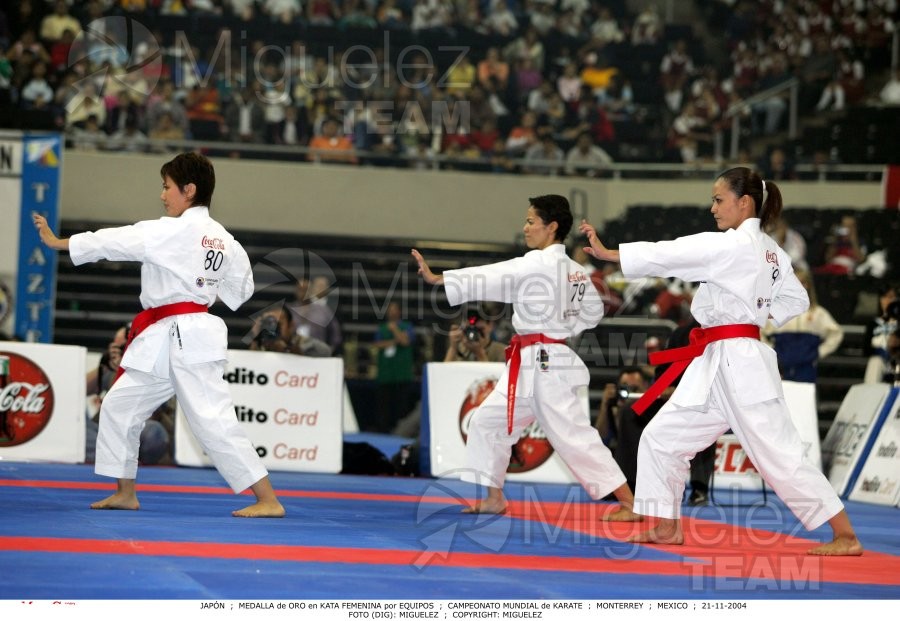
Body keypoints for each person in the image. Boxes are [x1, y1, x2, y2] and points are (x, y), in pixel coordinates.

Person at [579, 167, 862, 555]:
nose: (712, 207)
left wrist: (614, 254)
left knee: (779, 455)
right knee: (662, 439)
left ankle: (845, 535)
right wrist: (759, 312)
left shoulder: (732, 246)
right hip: (719, 358)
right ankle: (665, 526)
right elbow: (796, 299)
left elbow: (673, 252)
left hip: (740, 361)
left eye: (718, 199)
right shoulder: (770, 250)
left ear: (743, 202)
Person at [32, 152, 285, 518]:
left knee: (210, 417)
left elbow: (117, 241)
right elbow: (241, 291)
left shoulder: (171, 230)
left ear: (189, 190)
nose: (162, 195)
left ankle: (268, 498)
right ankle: (125, 492)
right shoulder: (223, 239)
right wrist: (202, 288)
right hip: (172, 333)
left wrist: (61, 243)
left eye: (167, 187)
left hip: (186, 333)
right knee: (120, 405)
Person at [411, 195, 640, 521]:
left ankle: (629, 502)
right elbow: (592, 313)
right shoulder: (576, 272)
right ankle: (493, 498)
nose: (525, 228)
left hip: (545, 364)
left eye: (531, 221)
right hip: (536, 360)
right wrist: (563, 327)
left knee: (573, 436)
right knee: (486, 421)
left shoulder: (535, 264)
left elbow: (490, 276)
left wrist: (439, 278)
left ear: (552, 227)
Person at [85, 324, 175, 466]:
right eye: (118, 347)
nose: (123, 352)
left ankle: (111, 455)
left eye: (125, 347)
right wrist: (106, 365)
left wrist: (136, 366)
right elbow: (77, 389)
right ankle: (114, 455)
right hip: (111, 433)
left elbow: (150, 412)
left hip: (146, 430)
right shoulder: (113, 369)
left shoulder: (162, 366)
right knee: (80, 431)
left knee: (152, 433)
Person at [762, 269, 843, 383]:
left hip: (806, 368)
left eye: (803, 282)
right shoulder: (775, 311)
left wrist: (819, 352)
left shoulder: (817, 313)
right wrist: (772, 351)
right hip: (780, 367)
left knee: (804, 398)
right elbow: (759, 332)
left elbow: (836, 333)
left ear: (808, 286)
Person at [373, 301, 416, 433]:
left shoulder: (406, 326)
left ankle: (400, 430)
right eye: (389, 309)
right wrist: (394, 341)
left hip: (402, 373)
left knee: (401, 405)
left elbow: (405, 341)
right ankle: (384, 429)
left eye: (394, 309)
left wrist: (394, 330)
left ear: (399, 312)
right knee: (384, 406)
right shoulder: (381, 328)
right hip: (386, 374)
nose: (392, 312)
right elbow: (377, 344)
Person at [443, 304, 507, 363]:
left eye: (480, 330)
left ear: (490, 326)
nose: (473, 334)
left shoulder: (502, 351)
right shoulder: (459, 350)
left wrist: (480, 354)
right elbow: (444, 373)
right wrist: (453, 348)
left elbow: (493, 375)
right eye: (469, 329)